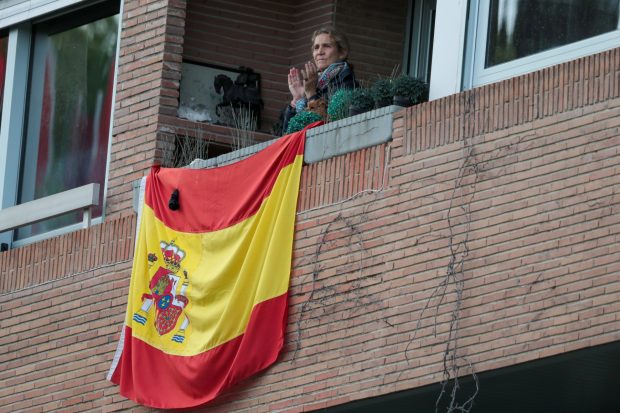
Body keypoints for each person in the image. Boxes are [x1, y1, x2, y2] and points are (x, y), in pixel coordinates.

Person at [282, 27, 358, 133]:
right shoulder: (315, 84)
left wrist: (311, 94)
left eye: (326, 46)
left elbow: (325, 129)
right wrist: (298, 99)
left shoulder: (347, 83)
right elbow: (287, 134)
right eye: (316, 47)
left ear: (342, 52)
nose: (320, 52)